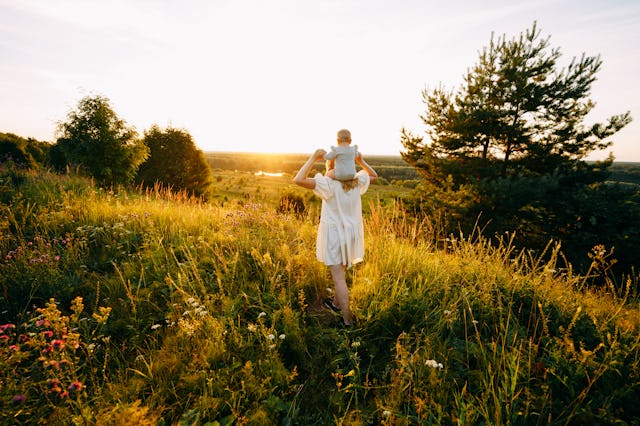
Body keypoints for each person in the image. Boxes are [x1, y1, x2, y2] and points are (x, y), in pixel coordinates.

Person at [293, 145, 378, 327]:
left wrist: (313, 157)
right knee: (341, 274)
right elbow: (374, 175)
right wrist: (360, 161)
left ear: (331, 164)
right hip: (351, 235)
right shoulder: (356, 181)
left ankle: (347, 322)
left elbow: (298, 179)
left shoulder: (328, 183)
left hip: (335, 235)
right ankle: (336, 304)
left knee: (338, 278)